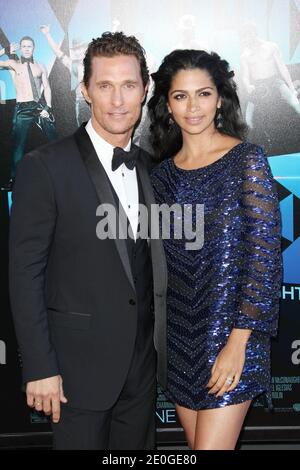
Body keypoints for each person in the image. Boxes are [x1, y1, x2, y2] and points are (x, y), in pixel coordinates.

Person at [9, 32, 167, 450]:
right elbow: (24, 276)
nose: (118, 100)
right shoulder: (43, 167)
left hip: (141, 375)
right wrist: (39, 367)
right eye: (105, 85)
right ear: (85, 91)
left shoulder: (153, 169)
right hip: (72, 376)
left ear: (145, 91)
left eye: (129, 85)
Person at [149, 49, 282, 450]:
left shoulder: (247, 160)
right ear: (167, 105)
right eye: (181, 96)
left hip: (231, 340)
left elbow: (264, 261)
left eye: (203, 94)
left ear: (220, 98)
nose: (193, 107)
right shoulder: (159, 179)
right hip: (178, 345)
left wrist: (237, 344)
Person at [0, 36, 57, 189]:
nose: (26, 49)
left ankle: (62, 175)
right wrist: (4, 51)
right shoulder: (13, 64)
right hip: (22, 107)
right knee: (18, 145)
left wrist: (48, 108)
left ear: (34, 48)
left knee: (54, 141)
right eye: (23, 46)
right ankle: (14, 180)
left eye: (29, 46)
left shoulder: (40, 66)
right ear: (20, 48)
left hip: (39, 107)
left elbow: (47, 87)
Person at [40, 26, 90, 126]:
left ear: (86, 48)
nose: (79, 51)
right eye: (77, 49)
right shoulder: (73, 65)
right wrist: (47, 34)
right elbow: (57, 52)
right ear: (74, 51)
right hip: (82, 102)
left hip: (99, 102)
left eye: (81, 48)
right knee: (84, 132)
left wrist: (115, 27)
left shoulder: (96, 62)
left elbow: (107, 49)